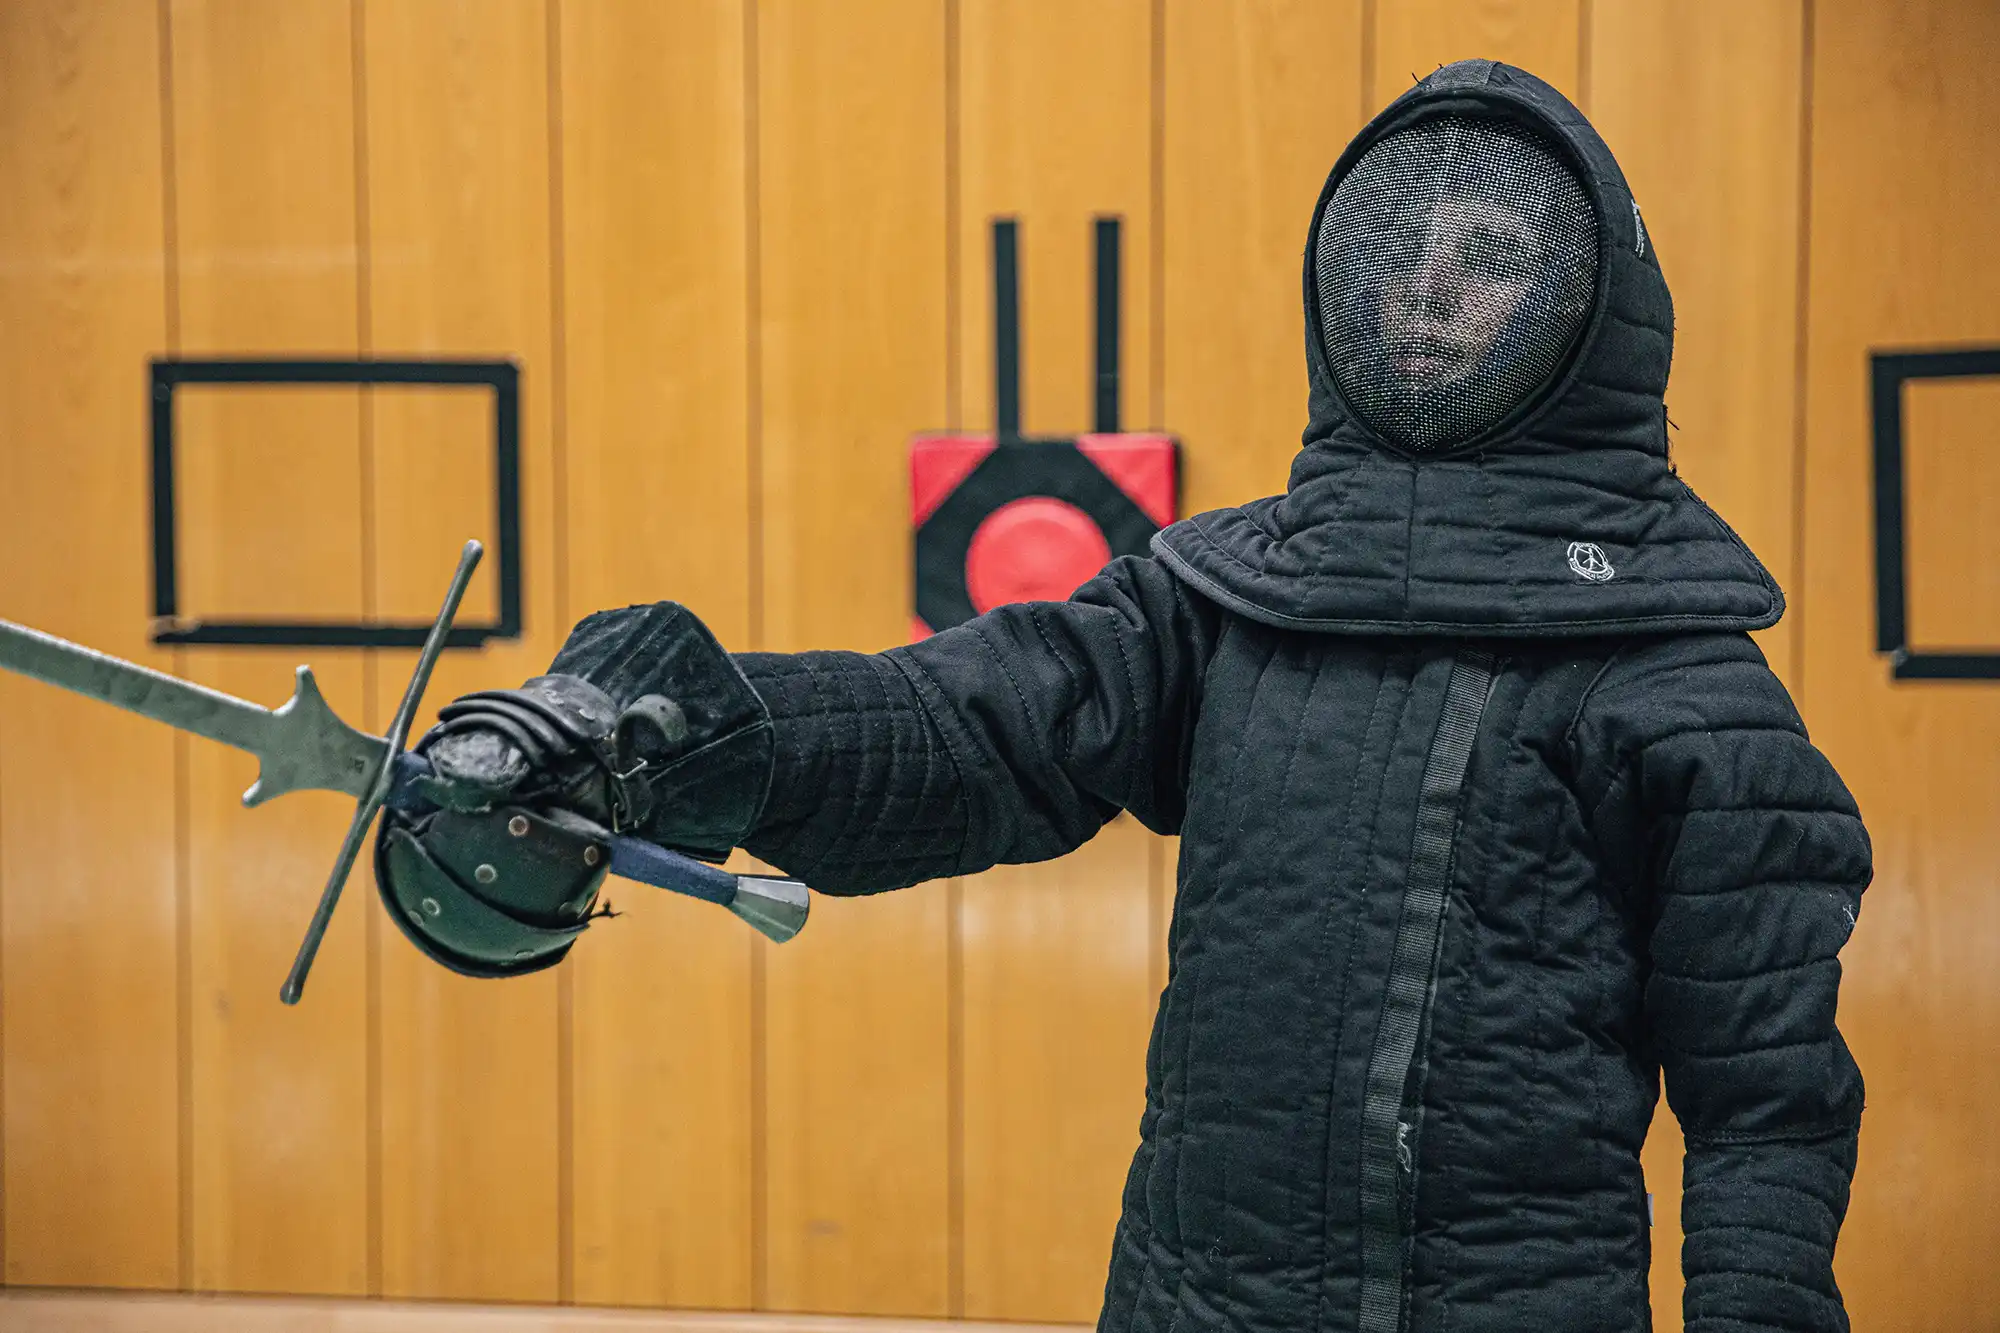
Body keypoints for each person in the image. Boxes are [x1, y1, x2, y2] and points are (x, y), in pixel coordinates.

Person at [379, 60, 1868, 1332]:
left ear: (1585, 309)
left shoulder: (1683, 692)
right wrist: (670, 734)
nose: (1427, 296)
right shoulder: (1221, 609)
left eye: (1484, 261)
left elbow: (1768, 1112)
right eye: (1401, 255)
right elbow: (962, 726)